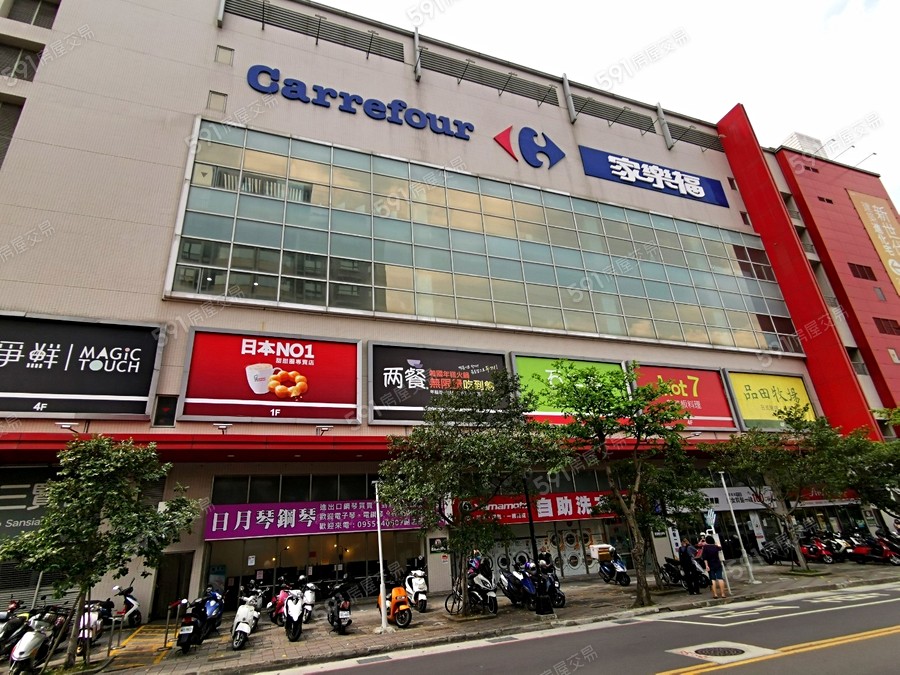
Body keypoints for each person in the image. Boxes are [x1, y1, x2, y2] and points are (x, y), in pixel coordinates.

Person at [700, 535, 726, 599]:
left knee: (712, 579)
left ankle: (715, 594)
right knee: (720, 578)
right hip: (717, 563)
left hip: (710, 565)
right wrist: (717, 544)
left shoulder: (705, 547)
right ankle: (723, 594)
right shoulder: (715, 546)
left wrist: (706, 565)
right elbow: (720, 548)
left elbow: (705, 558)